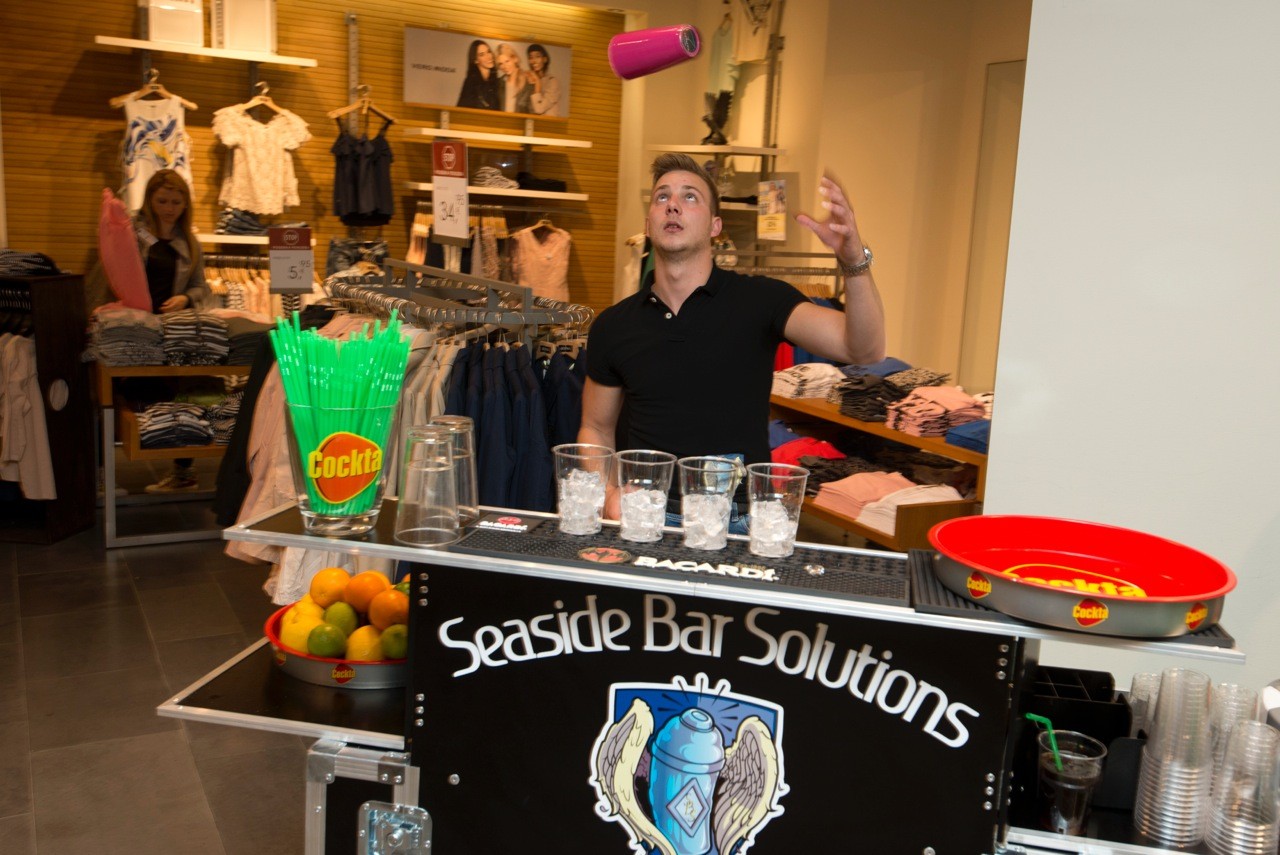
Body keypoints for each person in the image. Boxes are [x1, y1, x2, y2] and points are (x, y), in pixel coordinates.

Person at [579, 153, 886, 521]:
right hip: (645, 514)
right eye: (662, 196)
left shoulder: (761, 300)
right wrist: (607, 495)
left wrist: (853, 261)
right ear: (648, 224)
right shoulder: (614, 325)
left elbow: (864, 348)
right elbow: (595, 427)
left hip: (736, 519)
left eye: (690, 196)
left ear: (715, 226)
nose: (673, 205)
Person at [135, 169, 208, 492]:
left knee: (178, 394)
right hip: (135, 328)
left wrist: (185, 298)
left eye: (176, 202)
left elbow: (201, 286)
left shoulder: (189, 242)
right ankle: (109, 470)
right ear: (150, 199)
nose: (169, 208)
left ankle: (183, 472)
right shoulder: (134, 233)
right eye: (162, 200)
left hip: (173, 330)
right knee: (133, 395)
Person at [456, 40, 501, 110]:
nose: (488, 57)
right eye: (482, 54)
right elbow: (462, 109)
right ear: (475, 60)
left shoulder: (497, 81)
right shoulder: (470, 82)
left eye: (488, 51)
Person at [495, 43, 534, 114]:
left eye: (507, 61)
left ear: (514, 59)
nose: (505, 66)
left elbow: (532, 111)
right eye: (501, 64)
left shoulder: (528, 80)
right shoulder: (499, 83)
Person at [526, 43, 562, 117]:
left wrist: (537, 82)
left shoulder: (552, 81)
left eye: (537, 56)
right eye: (531, 57)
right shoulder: (529, 81)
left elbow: (539, 109)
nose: (534, 61)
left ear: (545, 59)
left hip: (548, 123)